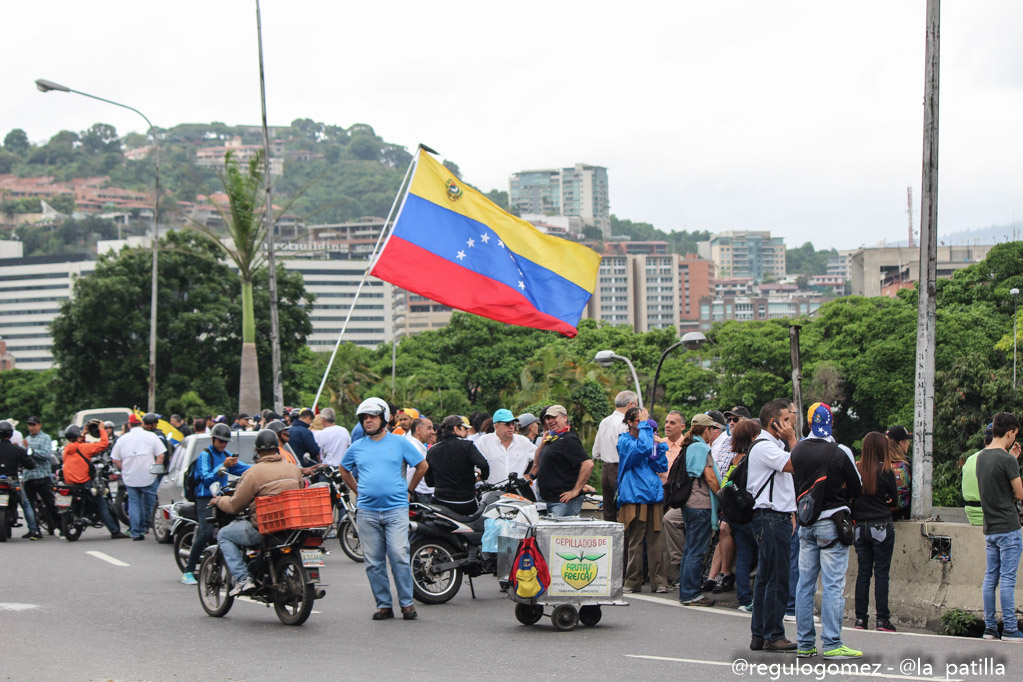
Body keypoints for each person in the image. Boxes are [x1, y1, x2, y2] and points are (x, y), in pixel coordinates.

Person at [340, 398, 428, 621]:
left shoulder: (399, 442)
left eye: (372, 417)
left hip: (396, 509)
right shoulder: (357, 446)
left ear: (383, 419)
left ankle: (407, 603)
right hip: (367, 512)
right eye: (364, 418)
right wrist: (358, 490)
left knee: (399, 554)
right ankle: (384, 605)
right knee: (373, 561)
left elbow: (422, 466)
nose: (368, 421)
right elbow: (344, 468)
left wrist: (409, 490)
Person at [791, 402, 862, 660]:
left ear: (810, 423)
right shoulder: (840, 451)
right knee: (832, 585)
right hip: (832, 522)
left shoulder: (797, 450)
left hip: (806, 523)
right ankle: (832, 644)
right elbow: (857, 488)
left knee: (804, 584)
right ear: (831, 424)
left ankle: (804, 644)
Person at [212, 429, 303, 597]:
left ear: (257, 450)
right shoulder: (293, 469)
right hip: (291, 526)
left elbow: (234, 506)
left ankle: (243, 579)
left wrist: (218, 500)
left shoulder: (253, 473)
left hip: (265, 527)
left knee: (224, 534)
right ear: (277, 448)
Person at [747, 399, 798, 653]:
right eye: (788, 419)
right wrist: (793, 440)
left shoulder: (771, 445)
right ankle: (773, 635)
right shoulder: (765, 446)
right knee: (777, 578)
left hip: (773, 516)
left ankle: (760, 634)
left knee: (767, 578)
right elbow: (795, 465)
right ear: (774, 422)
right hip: (770, 517)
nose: (791, 424)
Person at [180, 423, 251, 585]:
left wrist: (260, 467)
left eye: (226, 442)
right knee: (205, 532)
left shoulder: (226, 454)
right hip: (205, 499)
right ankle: (189, 571)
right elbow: (206, 478)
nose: (223, 444)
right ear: (213, 439)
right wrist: (223, 467)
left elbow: (243, 469)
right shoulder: (206, 455)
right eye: (220, 441)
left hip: (221, 498)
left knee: (231, 530)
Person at [976, 411, 1023, 641]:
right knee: (1008, 579)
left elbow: (992, 488)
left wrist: (1011, 459)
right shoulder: (1006, 460)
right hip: (1008, 527)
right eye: (1015, 434)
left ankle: (990, 628)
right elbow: (1019, 493)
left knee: (990, 577)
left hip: (990, 528)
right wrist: (1012, 462)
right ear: (1010, 432)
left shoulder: (981, 457)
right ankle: (1011, 629)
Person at [616, 406, 669, 593]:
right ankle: (632, 581)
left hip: (653, 495)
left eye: (645, 420)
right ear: (630, 423)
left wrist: (660, 447)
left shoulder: (647, 437)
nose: (644, 424)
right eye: (640, 420)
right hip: (633, 495)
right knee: (635, 540)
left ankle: (659, 581)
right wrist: (647, 428)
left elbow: (661, 466)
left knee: (655, 540)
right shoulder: (624, 441)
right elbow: (641, 449)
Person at [852, 431, 898, 632]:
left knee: (863, 573)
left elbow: (850, 496)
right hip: (881, 525)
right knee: (881, 574)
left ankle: (860, 619)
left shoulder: (857, 469)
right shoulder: (886, 470)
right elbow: (895, 501)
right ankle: (882, 620)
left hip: (859, 527)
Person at [677, 413, 723, 606]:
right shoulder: (701, 448)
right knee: (697, 550)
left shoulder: (688, 446)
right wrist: (722, 498)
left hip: (689, 504)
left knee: (690, 549)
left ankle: (686, 590)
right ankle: (691, 593)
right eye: (712, 429)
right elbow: (710, 478)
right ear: (707, 430)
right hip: (700, 504)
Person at [61, 423, 127, 539]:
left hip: (70, 483)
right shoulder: (84, 448)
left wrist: (84, 434)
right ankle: (114, 531)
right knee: (101, 503)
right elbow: (104, 444)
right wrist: (102, 430)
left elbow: (78, 446)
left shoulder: (67, 449)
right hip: (84, 483)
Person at [723, 419, 762, 613]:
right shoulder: (753, 457)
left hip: (735, 514)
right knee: (763, 555)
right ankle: (759, 598)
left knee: (744, 557)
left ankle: (744, 599)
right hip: (751, 513)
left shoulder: (734, 458)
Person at [112, 412, 167, 540]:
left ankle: (136, 531)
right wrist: (155, 470)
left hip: (130, 477)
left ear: (129, 425)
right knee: (152, 503)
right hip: (149, 476)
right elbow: (161, 455)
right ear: (141, 423)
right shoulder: (151, 436)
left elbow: (115, 459)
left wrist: (124, 469)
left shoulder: (122, 439)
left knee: (134, 504)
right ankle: (154, 528)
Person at [532, 405, 593, 518]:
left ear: (565, 418)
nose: (550, 421)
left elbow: (588, 464)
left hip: (563, 502)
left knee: (557, 535)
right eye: (548, 418)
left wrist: (576, 490)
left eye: (554, 417)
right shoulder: (552, 438)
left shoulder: (569, 439)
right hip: (548, 500)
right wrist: (543, 443)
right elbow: (537, 460)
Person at [426, 415, 491, 514]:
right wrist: (482, 477)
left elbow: (429, 482)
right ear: (456, 429)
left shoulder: (432, 450)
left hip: (439, 502)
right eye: (464, 428)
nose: (466, 432)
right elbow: (484, 464)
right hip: (465, 502)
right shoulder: (467, 446)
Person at [593, 391, 639, 523]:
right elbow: (629, 451)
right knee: (624, 511)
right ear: (630, 405)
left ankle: (611, 542)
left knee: (608, 512)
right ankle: (623, 543)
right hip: (620, 468)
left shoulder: (604, 421)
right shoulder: (624, 424)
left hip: (606, 469)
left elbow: (596, 452)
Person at [660, 410, 687, 588]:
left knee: (671, 523)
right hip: (659, 493)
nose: (668, 425)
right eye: (667, 422)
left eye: (673, 423)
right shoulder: (659, 444)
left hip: (678, 495)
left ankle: (679, 569)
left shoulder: (687, 445)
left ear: (682, 426)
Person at [19, 416, 58, 539]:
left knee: (50, 503)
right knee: (29, 505)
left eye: (34, 425)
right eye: (30, 425)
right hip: (29, 477)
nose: (32, 427)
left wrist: (30, 450)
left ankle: (61, 526)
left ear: (39, 425)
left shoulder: (45, 438)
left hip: (42, 476)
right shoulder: (27, 439)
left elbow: (46, 454)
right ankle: (34, 529)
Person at [476, 409, 536, 486]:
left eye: (513, 423)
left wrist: (531, 474)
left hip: (517, 494)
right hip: (491, 494)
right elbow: (473, 468)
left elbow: (541, 457)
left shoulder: (523, 441)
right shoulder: (483, 442)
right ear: (496, 426)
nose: (511, 427)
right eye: (507, 424)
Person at [0, 420, 35, 536]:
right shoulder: (16, 449)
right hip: (12, 481)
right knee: (25, 504)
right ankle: (33, 530)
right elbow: (30, 464)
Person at [961, 424, 993, 527]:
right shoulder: (998, 460)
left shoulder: (970, 459)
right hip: (992, 518)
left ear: (984, 441)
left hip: (972, 516)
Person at [405, 416, 435, 503]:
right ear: (418, 430)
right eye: (429, 428)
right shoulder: (415, 447)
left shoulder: (417, 445)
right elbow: (410, 473)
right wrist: (408, 493)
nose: (433, 432)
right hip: (419, 494)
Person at [886, 426, 912, 520]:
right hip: (902, 516)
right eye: (907, 441)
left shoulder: (878, 462)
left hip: (881, 515)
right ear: (901, 443)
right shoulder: (907, 465)